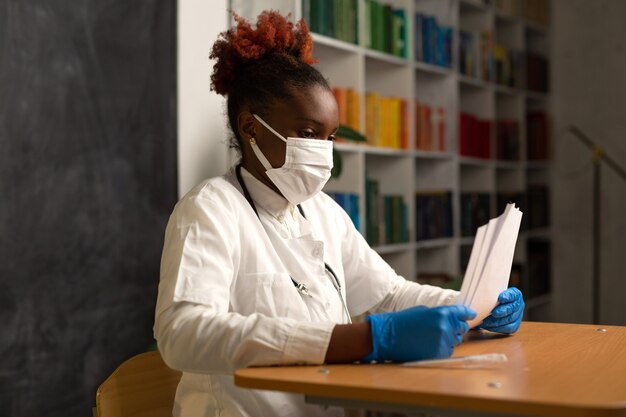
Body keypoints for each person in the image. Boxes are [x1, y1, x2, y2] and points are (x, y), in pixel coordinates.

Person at [153, 10, 525, 417]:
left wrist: (471, 308)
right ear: (251, 128)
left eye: (329, 138)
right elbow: (182, 333)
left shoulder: (322, 211)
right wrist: (362, 340)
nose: (324, 151)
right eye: (309, 134)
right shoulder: (209, 209)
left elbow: (387, 294)